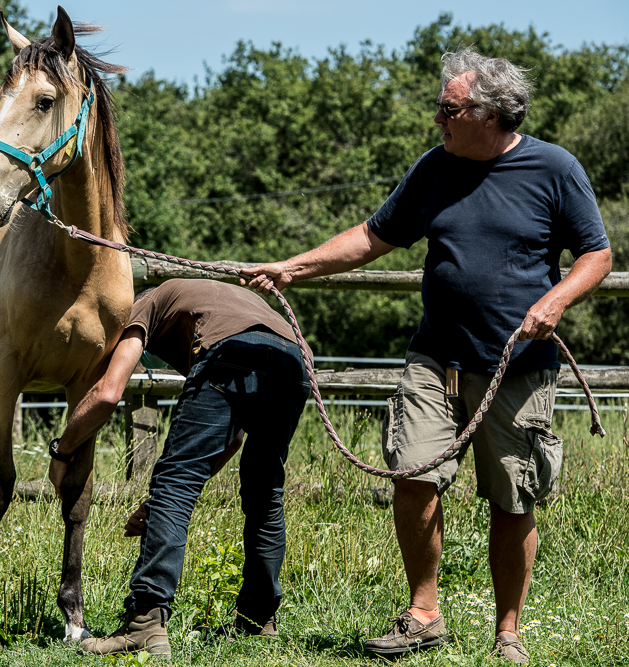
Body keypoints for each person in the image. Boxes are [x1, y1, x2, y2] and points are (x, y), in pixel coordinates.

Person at [244, 48, 611, 664]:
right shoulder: (434, 168)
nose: (437, 118)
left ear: (490, 113)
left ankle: (508, 631)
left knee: (512, 498)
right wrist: (292, 268)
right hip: (434, 359)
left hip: (516, 367)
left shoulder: (555, 168)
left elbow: (596, 255)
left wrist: (555, 302)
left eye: (449, 108)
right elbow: (371, 236)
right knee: (413, 475)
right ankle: (423, 615)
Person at [48, 278, 311, 659]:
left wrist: (62, 451)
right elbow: (231, 439)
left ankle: (144, 622)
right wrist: (157, 505)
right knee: (264, 491)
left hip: (231, 351)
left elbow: (108, 392)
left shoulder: (144, 306)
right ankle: (258, 619)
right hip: (295, 360)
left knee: (174, 482)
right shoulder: (209, 301)